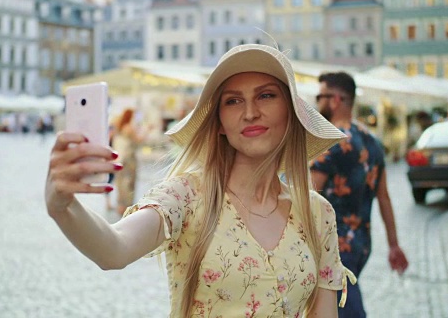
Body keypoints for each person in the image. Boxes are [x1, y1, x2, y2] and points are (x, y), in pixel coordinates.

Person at [45, 44, 356, 317]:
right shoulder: (186, 195)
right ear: (219, 123)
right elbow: (113, 249)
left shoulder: (317, 213)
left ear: (291, 113)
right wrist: (61, 206)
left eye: (266, 95)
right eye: (233, 101)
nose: (250, 112)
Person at [310, 72, 409, 318]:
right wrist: (394, 244)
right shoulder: (372, 141)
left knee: (346, 309)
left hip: (333, 246)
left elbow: (306, 195)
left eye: (319, 96)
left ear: (335, 99)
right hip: (361, 244)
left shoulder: (330, 143)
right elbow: (384, 197)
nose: (316, 102)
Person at [111, 108, 142, 215]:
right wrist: (147, 130)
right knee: (129, 183)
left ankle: (120, 205)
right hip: (129, 160)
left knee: (120, 182)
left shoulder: (119, 127)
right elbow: (139, 141)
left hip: (119, 159)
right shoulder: (129, 128)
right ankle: (127, 207)